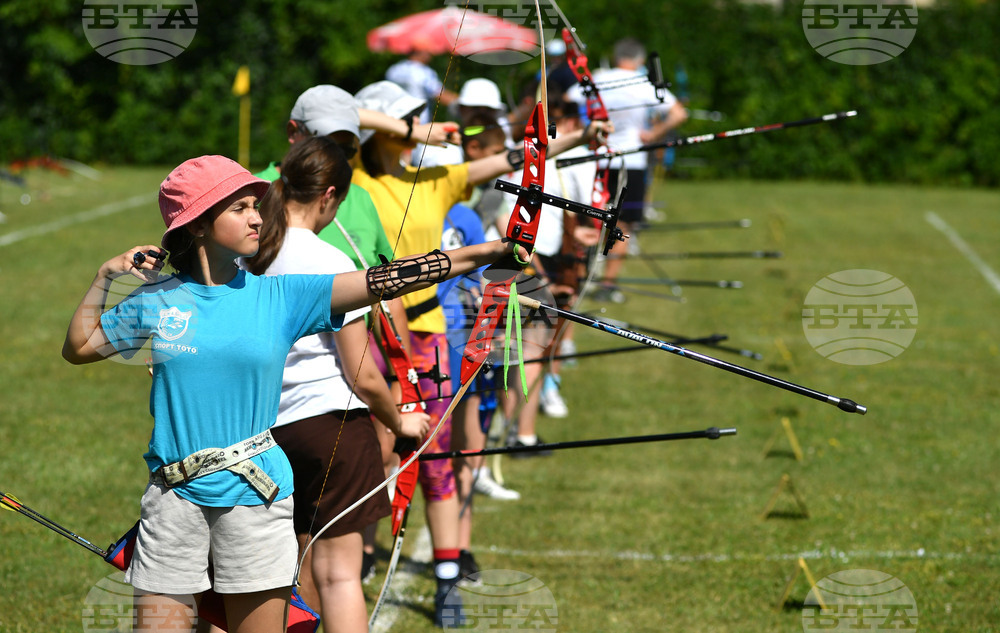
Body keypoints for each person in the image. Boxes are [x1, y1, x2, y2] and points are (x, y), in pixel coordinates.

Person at [61, 154, 532, 633]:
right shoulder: (156, 299)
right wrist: (106, 276)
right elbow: (79, 347)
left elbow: (385, 279)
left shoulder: (279, 297)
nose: (256, 217)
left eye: (255, 206)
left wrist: (490, 251)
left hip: (253, 499)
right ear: (198, 224)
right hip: (172, 502)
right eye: (239, 208)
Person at [353, 79, 611, 626]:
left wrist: (582, 136)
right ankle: (359, 558)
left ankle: (447, 578)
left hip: (426, 337)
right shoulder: (352, 178)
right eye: (405, 120)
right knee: (374, 453)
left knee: (435, 459)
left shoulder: (436, 181)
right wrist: (414, 128)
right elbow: (349, 114)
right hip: (365, 334)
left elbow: (517, 158)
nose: (415, 128)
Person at [243, 136, 431, 633]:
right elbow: (362, 374)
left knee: (287, 572)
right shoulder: (333, 262)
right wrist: (400, 422)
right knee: (340, 575)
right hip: (331, 428)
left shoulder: (248, 258)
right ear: (328, 196)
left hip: (263, 435)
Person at [589, 37, 687, 302]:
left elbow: (567, 100)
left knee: (593, 219)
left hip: (598, 160)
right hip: (631, 162)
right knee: (622, 224)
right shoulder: (644, 84)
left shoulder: (598, 78)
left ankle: (584, 275)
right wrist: (653, 134)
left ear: (616, 56)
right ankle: (607, 284)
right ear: (640, 60)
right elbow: (679, 113)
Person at [385, 50, 458, 123]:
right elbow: (439, 94)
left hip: (394, 120)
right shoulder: (424, 72)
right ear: (420, 52)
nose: (431, 55)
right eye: (428, 52)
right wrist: (461, 102)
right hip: (419, 122)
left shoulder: (394, 69)